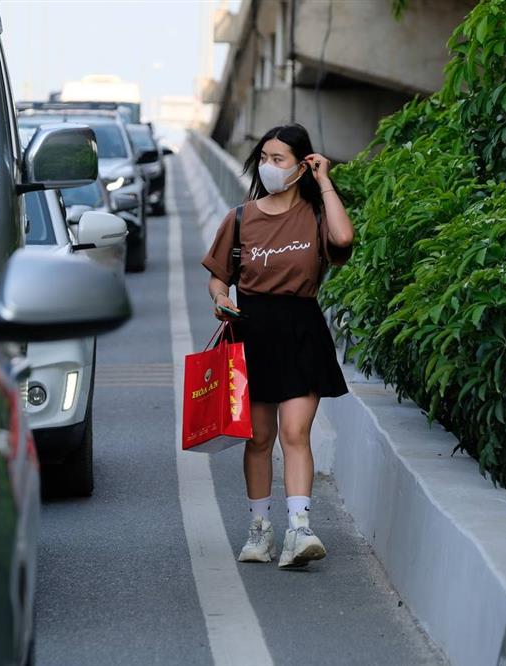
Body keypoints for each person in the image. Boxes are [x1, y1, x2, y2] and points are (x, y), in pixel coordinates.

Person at [201, 123, 354, 569]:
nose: (268, 166)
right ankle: (259, 529)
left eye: (278, 159)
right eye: (263, 158)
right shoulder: (241, 217)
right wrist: (220, 297)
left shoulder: (317, 214)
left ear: (301, 164)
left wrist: (324, 181)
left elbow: (344, 241)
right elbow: (218, 274)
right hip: (250, 329)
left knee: (295, 433)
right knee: (259, 438)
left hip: (301, 328)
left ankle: (300, 530)